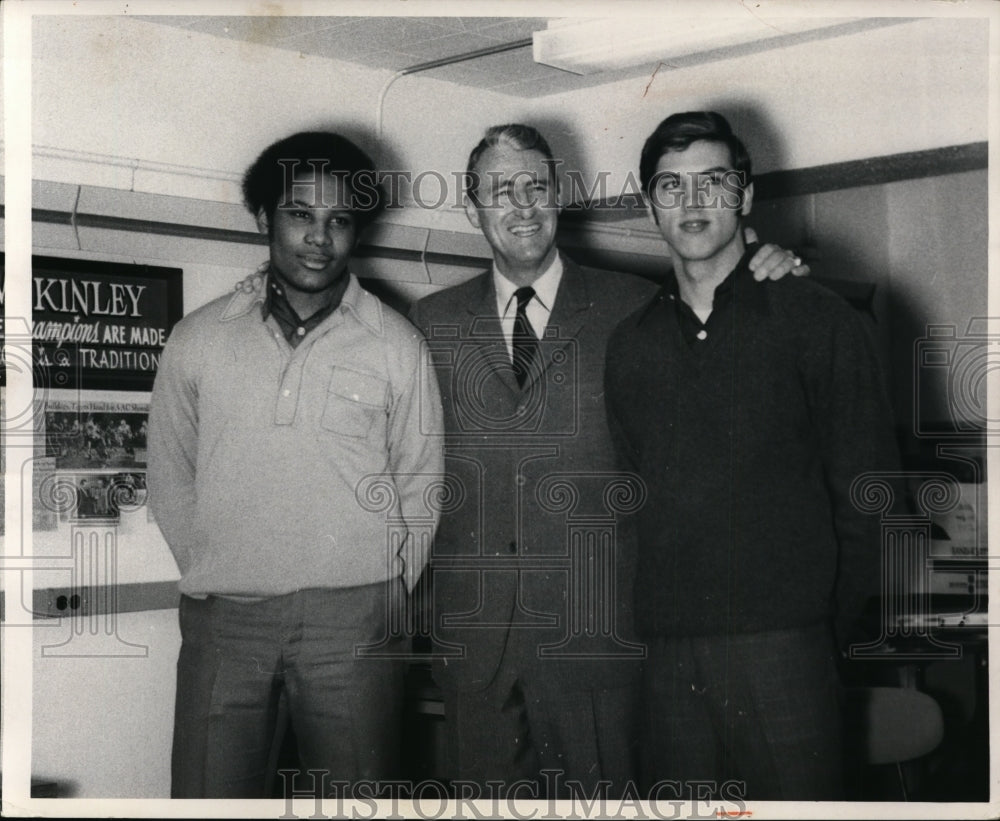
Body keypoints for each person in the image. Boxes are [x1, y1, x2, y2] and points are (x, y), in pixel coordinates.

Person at [409, 123, 807, 798]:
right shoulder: (428, 322)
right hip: (476, 648)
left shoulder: (637, 306)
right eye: (500, 191)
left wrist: (779, 267)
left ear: (559, 196)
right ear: (471, 208)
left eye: (536, 185)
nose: (522, 205)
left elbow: (728, 351)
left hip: (599, 640)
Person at [604, 111, 899, 801]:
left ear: (745, 195)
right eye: (671, 186)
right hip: (671, 657)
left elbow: (872, 496)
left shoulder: (819, 319)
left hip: (788, 647)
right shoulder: (631, 343)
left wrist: (818, 624)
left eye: (713, 181)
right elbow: (634, 499)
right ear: (650, 205)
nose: (693, 202)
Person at [148, 131, 444, 798]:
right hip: (225, 618)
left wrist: (379, 591)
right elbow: (169, 476)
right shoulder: (197, 338)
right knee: (206, 796)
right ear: (264, 218)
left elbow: (421, 486)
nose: (320, 237)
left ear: (357, 230)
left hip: (355, 620)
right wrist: (221, 566)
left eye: (339, 220)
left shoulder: (398, 345)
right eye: (300, 215)